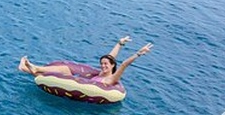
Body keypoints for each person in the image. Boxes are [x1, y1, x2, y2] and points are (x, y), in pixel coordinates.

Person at [17, 36, 153, 86]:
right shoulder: (102, 72)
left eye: (106, 64)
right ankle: (33, 68)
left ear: (112, 66)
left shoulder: (111, 79)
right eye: (102, 63)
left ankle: (28, 68)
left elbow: (123, 64)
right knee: (65, 69)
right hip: (80, 81)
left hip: (85, 87)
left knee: (56, 78)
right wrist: (119, 44)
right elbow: (111, 57)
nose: (103, 65)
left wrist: (139, 53)